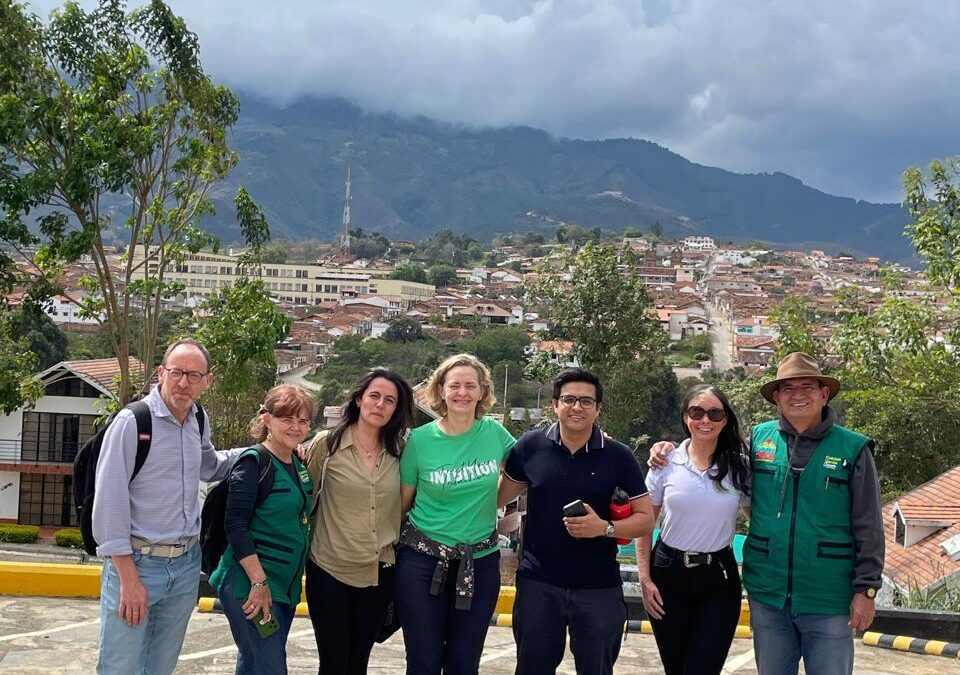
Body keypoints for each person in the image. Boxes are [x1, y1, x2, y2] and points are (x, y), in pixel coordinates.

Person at [648, 352, 884, 675]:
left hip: (828, 596)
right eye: (788, 388)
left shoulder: (852, 450)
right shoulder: (759, 440)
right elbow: (707, 454)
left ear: (824, 394)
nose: (798, 395)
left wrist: (866, 590)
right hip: (768, 597)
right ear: (776, 397)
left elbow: (870, 526)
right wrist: (666, 449)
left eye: (808, 387)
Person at [92, 338, 245, 675]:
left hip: (185, 566)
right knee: (121, 666)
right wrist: (129, 579)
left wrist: (259, 452)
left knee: (161, 667)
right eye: (176, 372)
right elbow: (108, 505)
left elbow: (210, 466)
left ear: (207, 381)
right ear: (161, 373)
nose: (183, 382)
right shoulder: (132, 423)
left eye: (194, 375)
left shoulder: (198, 420)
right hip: (137, 565)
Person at [498, 368, 655, 675]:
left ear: (598, 408)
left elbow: (646, 520)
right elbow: (499, 498)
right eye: (569, 399)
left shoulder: (618, 456)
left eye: (586, 401)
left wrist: (605, 528)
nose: (577, 407)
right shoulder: (529, 447)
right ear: (555, 404)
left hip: (598, 588)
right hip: (538, 584)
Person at [395, 353, 516, 675]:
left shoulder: (494, 434)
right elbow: (402, 504)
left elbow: (526, 472)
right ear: (441, 391)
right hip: (422, 562)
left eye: (470, 386)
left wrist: (494, 500)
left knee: (464, 663)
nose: (462, 392)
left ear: (481, 392)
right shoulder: (419, 441)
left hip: (480, 560)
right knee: (423, 660)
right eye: (455, 385)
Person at [304, 368, 415, 675]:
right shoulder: (327, 445)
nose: (380, 405)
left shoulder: (401, 453)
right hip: (329, 567)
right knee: (333, 663)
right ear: (358, 399)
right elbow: (302, 500)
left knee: (358, 664)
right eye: (374, 396)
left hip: (379, 571)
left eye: (389, 400)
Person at [637, 384, 750, 675]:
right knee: (675, 668)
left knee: (703, 668)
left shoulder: (739, 467)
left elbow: (758, 516)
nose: (705, 421)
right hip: (668, 573)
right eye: (697, 412)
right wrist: (646, 579)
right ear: (685, 417)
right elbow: (645, 522)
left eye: (714, 414)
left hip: (718, 578)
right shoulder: (665, 463)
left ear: (725, 420)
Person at [209, 383, 316, 675]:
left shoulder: (296, 461)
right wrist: (258, 583)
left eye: (303, 420)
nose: (296, 427)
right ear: (267, 419)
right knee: (270, 668)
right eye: (287, 419)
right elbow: (236, 525)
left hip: (284, 588)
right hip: (251, 585)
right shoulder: (254, 462)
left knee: (254, 664)